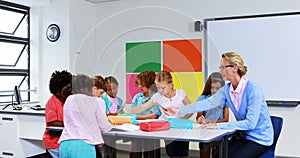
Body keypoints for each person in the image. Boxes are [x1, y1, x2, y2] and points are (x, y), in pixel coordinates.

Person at [163, 52, 273, 158]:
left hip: (259, 139)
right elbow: (207, 103)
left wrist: (217, 125)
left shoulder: (253, 90)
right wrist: (179, 111)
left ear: (235, 68)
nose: (220, 71)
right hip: (243, 136)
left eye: (223, 67)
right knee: (219, 155)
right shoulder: (227, 89)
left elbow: (250, 124)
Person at [127, 70, 193, 158]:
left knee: (183, 154)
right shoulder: (158, 96)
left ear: (171, 84)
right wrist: (126, 113)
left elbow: (191, 109)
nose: (160, 90)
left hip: (181, 128)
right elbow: (142, 107)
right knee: (172, 154)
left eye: (163, 87)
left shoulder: (180, 93)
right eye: (158, 88)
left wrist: (183, 120)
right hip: (169, 129)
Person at [58, 74, 112, 158]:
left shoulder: (69, 99)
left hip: (65, 145)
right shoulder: (94, 100)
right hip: (84, 146)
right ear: (88, 88)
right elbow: (104, 127)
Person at [129, 70, 161, 158]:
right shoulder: (137, 97)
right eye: (139, 84)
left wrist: (136, 117)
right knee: (135, 153)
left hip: (151, 131)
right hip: (136, 130)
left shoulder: (156, 97)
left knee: (151, 155)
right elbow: (132, 111)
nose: (139, 86)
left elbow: (154, 115)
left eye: (142, 84)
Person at [196, 72, 229, 158]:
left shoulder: (224, 100)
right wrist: (199, 119)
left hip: (218, 133)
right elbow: (199, 116)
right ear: (209, 87)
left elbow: (226, 119)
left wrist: (211, 122)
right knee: (204, 148)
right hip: (205, 132)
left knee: (217, 153)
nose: (215, 91)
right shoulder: (202, 99)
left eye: (218, 88)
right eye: (212, 88)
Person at [42, 70, 72, 158]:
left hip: (64, 140)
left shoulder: (68, 101)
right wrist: (70, 124)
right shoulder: (52, 102)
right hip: (54, 142)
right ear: (58, 92)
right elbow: (52, 122)